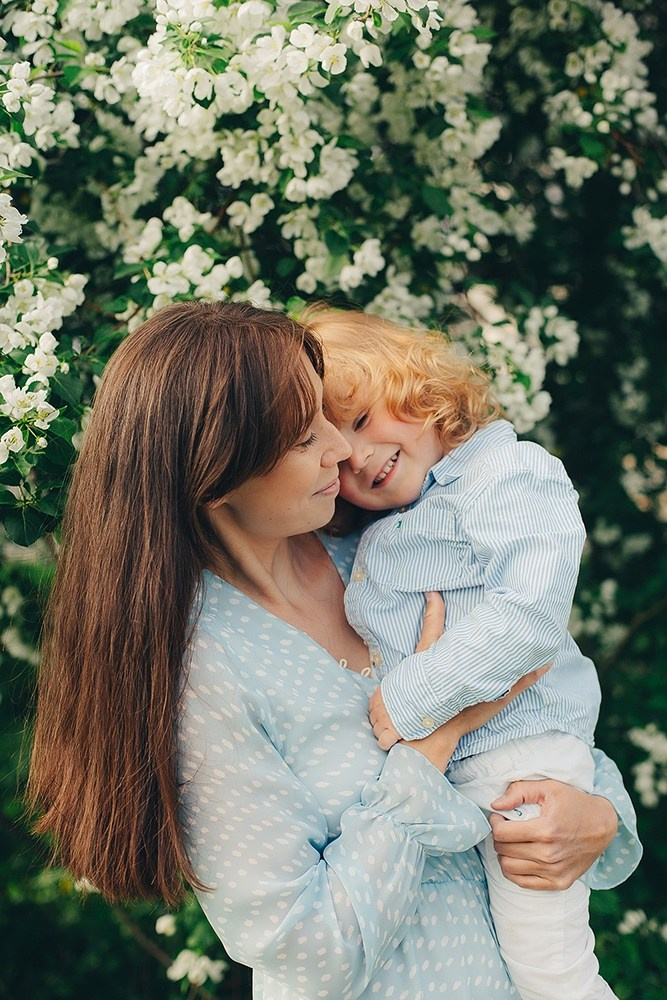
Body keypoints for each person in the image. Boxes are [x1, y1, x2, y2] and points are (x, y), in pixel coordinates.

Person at [28, 301, 640, 1000]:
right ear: (216, 474)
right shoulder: (205, 671)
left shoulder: (379, 549)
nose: (340, 449)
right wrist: (425, 752)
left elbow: (533, 705)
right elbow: (306, 952)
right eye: (301, 436)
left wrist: (597, 819)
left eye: (331, 417)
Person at [307, 305, 641, 1000]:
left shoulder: (507, 473)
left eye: (363, 419)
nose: (359, 456)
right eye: (337, 452)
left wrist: (407, 700)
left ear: (415, 385)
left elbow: (528, 618)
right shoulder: (383, 523)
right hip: (468, 774)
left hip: (521, 762)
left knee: (550, 971)